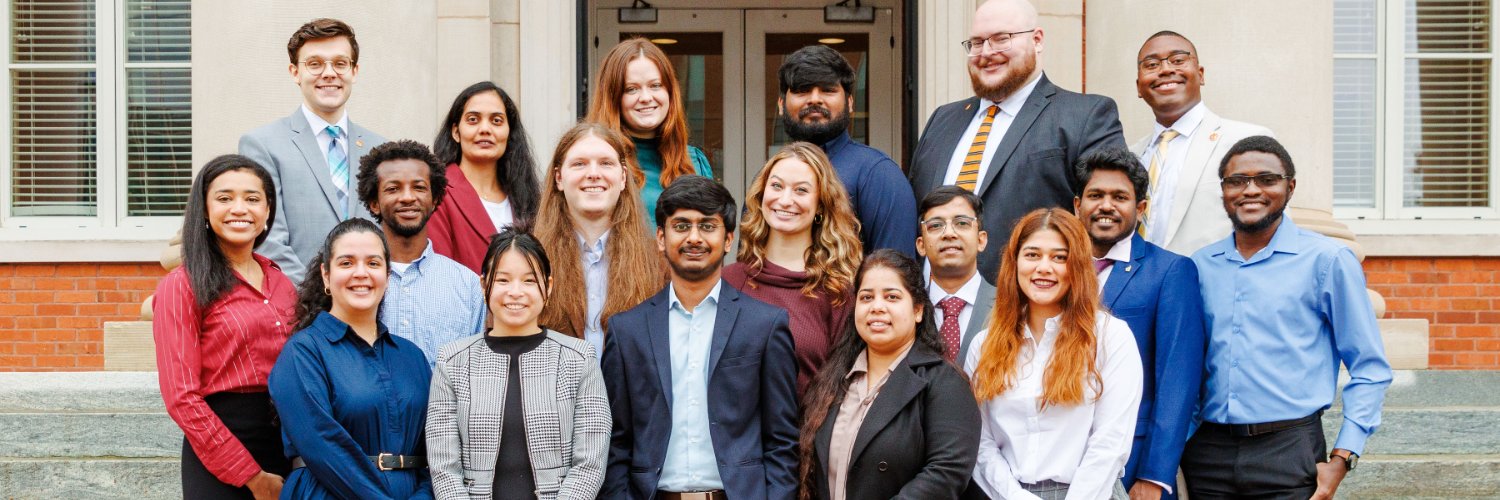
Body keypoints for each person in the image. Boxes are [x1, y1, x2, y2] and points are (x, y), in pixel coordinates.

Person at [1183, 136, 1392, 500]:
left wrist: (1343, 457)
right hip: (1208, 452)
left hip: (1289, 450)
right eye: (1237, 181)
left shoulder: (1327, 261)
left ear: (1289, 187)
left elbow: (1369, 366)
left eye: (1266, 179)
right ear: (1224, 192)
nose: (1251, 190)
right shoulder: (1201, 265)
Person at [601, 175, 799, 500]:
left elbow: (781, 441)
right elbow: (617, 441)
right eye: (681, 226)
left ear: (728, 239)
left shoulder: (765, 325)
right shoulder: (627, 332)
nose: (694, 237)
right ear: (661, 238)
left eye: (707, 226)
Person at [907, 0, 1126, 280]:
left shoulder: (1085, 115)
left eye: (1001, 39)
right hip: (934, 311)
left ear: (1037, 40)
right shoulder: (942, 119)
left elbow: (1108, 219)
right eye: (976, 42)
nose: (986, 52)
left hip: (1027, 310)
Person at [967, 208, 1142, 500]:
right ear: (1015, 263)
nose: (1044, 267)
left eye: (1059, 257)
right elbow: (980, 443)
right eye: (1032, 255)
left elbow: (1110, 443)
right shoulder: (984, 345)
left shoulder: (1111, 336)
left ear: (1078, 267)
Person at [426, 228, 610, 500]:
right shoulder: (452, 362)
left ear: (547, 286)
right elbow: (444, 468)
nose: (515, 292)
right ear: (483, 284)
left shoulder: (579, 359)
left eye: (528, 281)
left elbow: (589, 465)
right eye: (502, 280)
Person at [153, 155, 294, 499]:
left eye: (252, 198)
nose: (239, 208)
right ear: (203, 209)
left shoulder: (281, 281)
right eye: (224, 198)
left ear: (267, 211)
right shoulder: (182, 285)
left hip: (285, 443)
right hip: (220, 449)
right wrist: (252, 476)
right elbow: (182, 398)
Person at [1072, 148, 1205, 500]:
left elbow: (1178, 382)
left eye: (1120, 197)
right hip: (1059, 459)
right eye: (1095, 195)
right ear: (1077, 205)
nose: (1106, 206)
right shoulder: (1056, 270)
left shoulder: (1170, 272)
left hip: (1134, 462)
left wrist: (1155, 475)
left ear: (1140, 209)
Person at [269, 219, 433, 499]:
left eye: (373, 263)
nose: (361, 273)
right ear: (325, 276)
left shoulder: (412, 357)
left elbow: (436, 446)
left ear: (387, 274)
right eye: (346, 263)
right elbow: (323, 445)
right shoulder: (303, 353)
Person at [799, 249, 981, 500]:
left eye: (892, 297)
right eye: (866, 297)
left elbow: (947, 472)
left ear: (918, 310)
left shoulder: (944, 382)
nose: (877, 307)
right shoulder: (835, 380)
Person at [239, 18, 386, 282]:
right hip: (300, 306)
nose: (329, 73)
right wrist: (314, 296)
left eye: (340, 63)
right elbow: (267, 237)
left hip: (371, 302)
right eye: (315, 64)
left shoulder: (380, 149)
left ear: (354, 71)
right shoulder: (262, 145)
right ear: (295, 72)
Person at [723, 142, 863, 396]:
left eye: (801, 190)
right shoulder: (728, 281)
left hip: (807, 433)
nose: (785, 200)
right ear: (761, 194)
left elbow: (844, 393)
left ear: (821, 204)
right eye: (776, 186)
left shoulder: (839, 294)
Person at [1132, 31, 1274, 256]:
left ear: (1200, 74)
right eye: (1151, 64)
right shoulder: (1131, 155)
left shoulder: (1247, 142)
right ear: (1139, 87)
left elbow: (1273, 231)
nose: (1166, 69)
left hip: (1217, 286)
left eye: (1178, 60)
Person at [776, 45, 917, 256]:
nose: (814, 99)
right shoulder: (770, 179)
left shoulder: (878, 174)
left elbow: (896, 275)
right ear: (781, 105)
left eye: (828, 90)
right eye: (802, 90)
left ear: (850, 103)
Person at [535, 122, 663, 355]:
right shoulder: (529, 262)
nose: (593, 174)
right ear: (559, 178)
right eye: (579, 164)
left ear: (623, 177)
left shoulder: (658, 262)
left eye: (605, 163)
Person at [354, 139, 486, 364]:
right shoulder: (353, 283)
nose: (407, 197)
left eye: (419, 187)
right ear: (374, 202)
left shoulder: (468, 286)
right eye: (393, 188)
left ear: (435, 199)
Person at [588, 38, 715, 226]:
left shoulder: (695, 161)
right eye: (631, 89)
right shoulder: (593, 165)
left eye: (655, 85)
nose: (646, 97)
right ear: (613, 98)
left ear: (670, 93)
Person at [428, 81, 543, 274]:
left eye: (496, 121)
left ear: (509, 132)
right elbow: (439, 278)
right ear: (456, 132)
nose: (485, 129)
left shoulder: (528, 196)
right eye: (473, 120)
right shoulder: (437, 193)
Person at [915, 186, 995, 365]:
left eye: (962, 223)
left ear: (981, 240)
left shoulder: (1010, 305)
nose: (949, 234)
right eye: (936, 225)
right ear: (921, 245)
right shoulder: (907, 309)